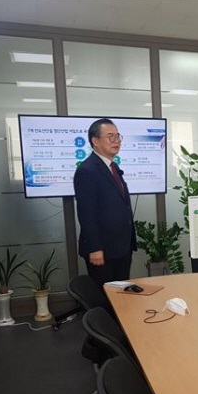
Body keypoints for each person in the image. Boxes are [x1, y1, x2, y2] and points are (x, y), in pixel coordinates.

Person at [74, 118, 136, 288]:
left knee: (120, 295)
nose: (116, 141)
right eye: (110, 137)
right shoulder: (88, 170)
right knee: (106, 297)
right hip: (103, 250)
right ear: (95, 141)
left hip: (120, 247)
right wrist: (95, 248)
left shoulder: (112, 166)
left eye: (118, 136)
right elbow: (86, 213)